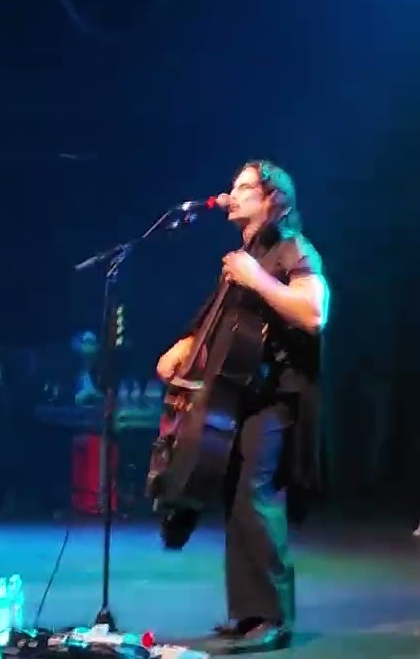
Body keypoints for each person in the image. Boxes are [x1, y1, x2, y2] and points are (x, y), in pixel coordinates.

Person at [155, 160, 327, 653]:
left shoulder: (292, 248)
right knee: (237, 496)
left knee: (256, 495)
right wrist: (186, 344)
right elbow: (223, 320)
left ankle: (273, 618)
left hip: (276, 397)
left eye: (244, 187)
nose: (231, 194)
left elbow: (315, 312)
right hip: (241, 395)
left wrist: (258, 280)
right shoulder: (243, 257)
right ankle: (248, 614)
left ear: (272, 198)